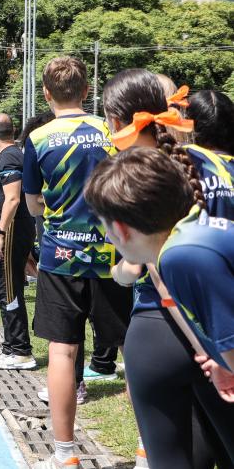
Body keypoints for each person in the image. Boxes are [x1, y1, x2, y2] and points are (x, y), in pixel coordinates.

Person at [102, 71, 234, 468]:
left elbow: (135, 269)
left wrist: (122, 273)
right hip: (220, 327)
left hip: (159, 328)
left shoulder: (127, 177)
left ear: (116, 121)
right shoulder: (217, 163)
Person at [24, 57, 131, 469]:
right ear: (87, 91)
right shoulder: (113, 131)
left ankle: (65, 455)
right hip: (113, 256)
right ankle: (145, 452)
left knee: (63, 352)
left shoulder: (39, 138)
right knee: (130, 350)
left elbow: (34, 201)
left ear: (46, 93)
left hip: (61, 256)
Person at [0, 114, 36, 370]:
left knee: (9, 289)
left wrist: (0, 233)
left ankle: (21, 350)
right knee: (5, 289)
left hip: (11, 230)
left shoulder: (11, 156)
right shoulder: (8, 156)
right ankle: (10, 347)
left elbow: (12, 199)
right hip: (6, 229)